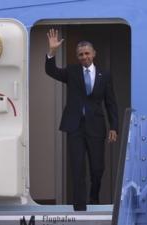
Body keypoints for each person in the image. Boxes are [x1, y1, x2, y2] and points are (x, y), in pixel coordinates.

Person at [45, 29, 118, 211]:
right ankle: (80, 206)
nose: (84, 57)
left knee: (97, 169)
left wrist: (113, 127)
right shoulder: (72, 71)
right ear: (77, 57)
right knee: (77, 168)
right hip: (75, 126)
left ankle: (94, 197)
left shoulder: (105, 75)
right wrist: (52, 51)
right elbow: (51, 70)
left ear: (94, 54)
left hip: (96, 127)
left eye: (87, 53)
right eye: (80, 54)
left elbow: (111, 103)